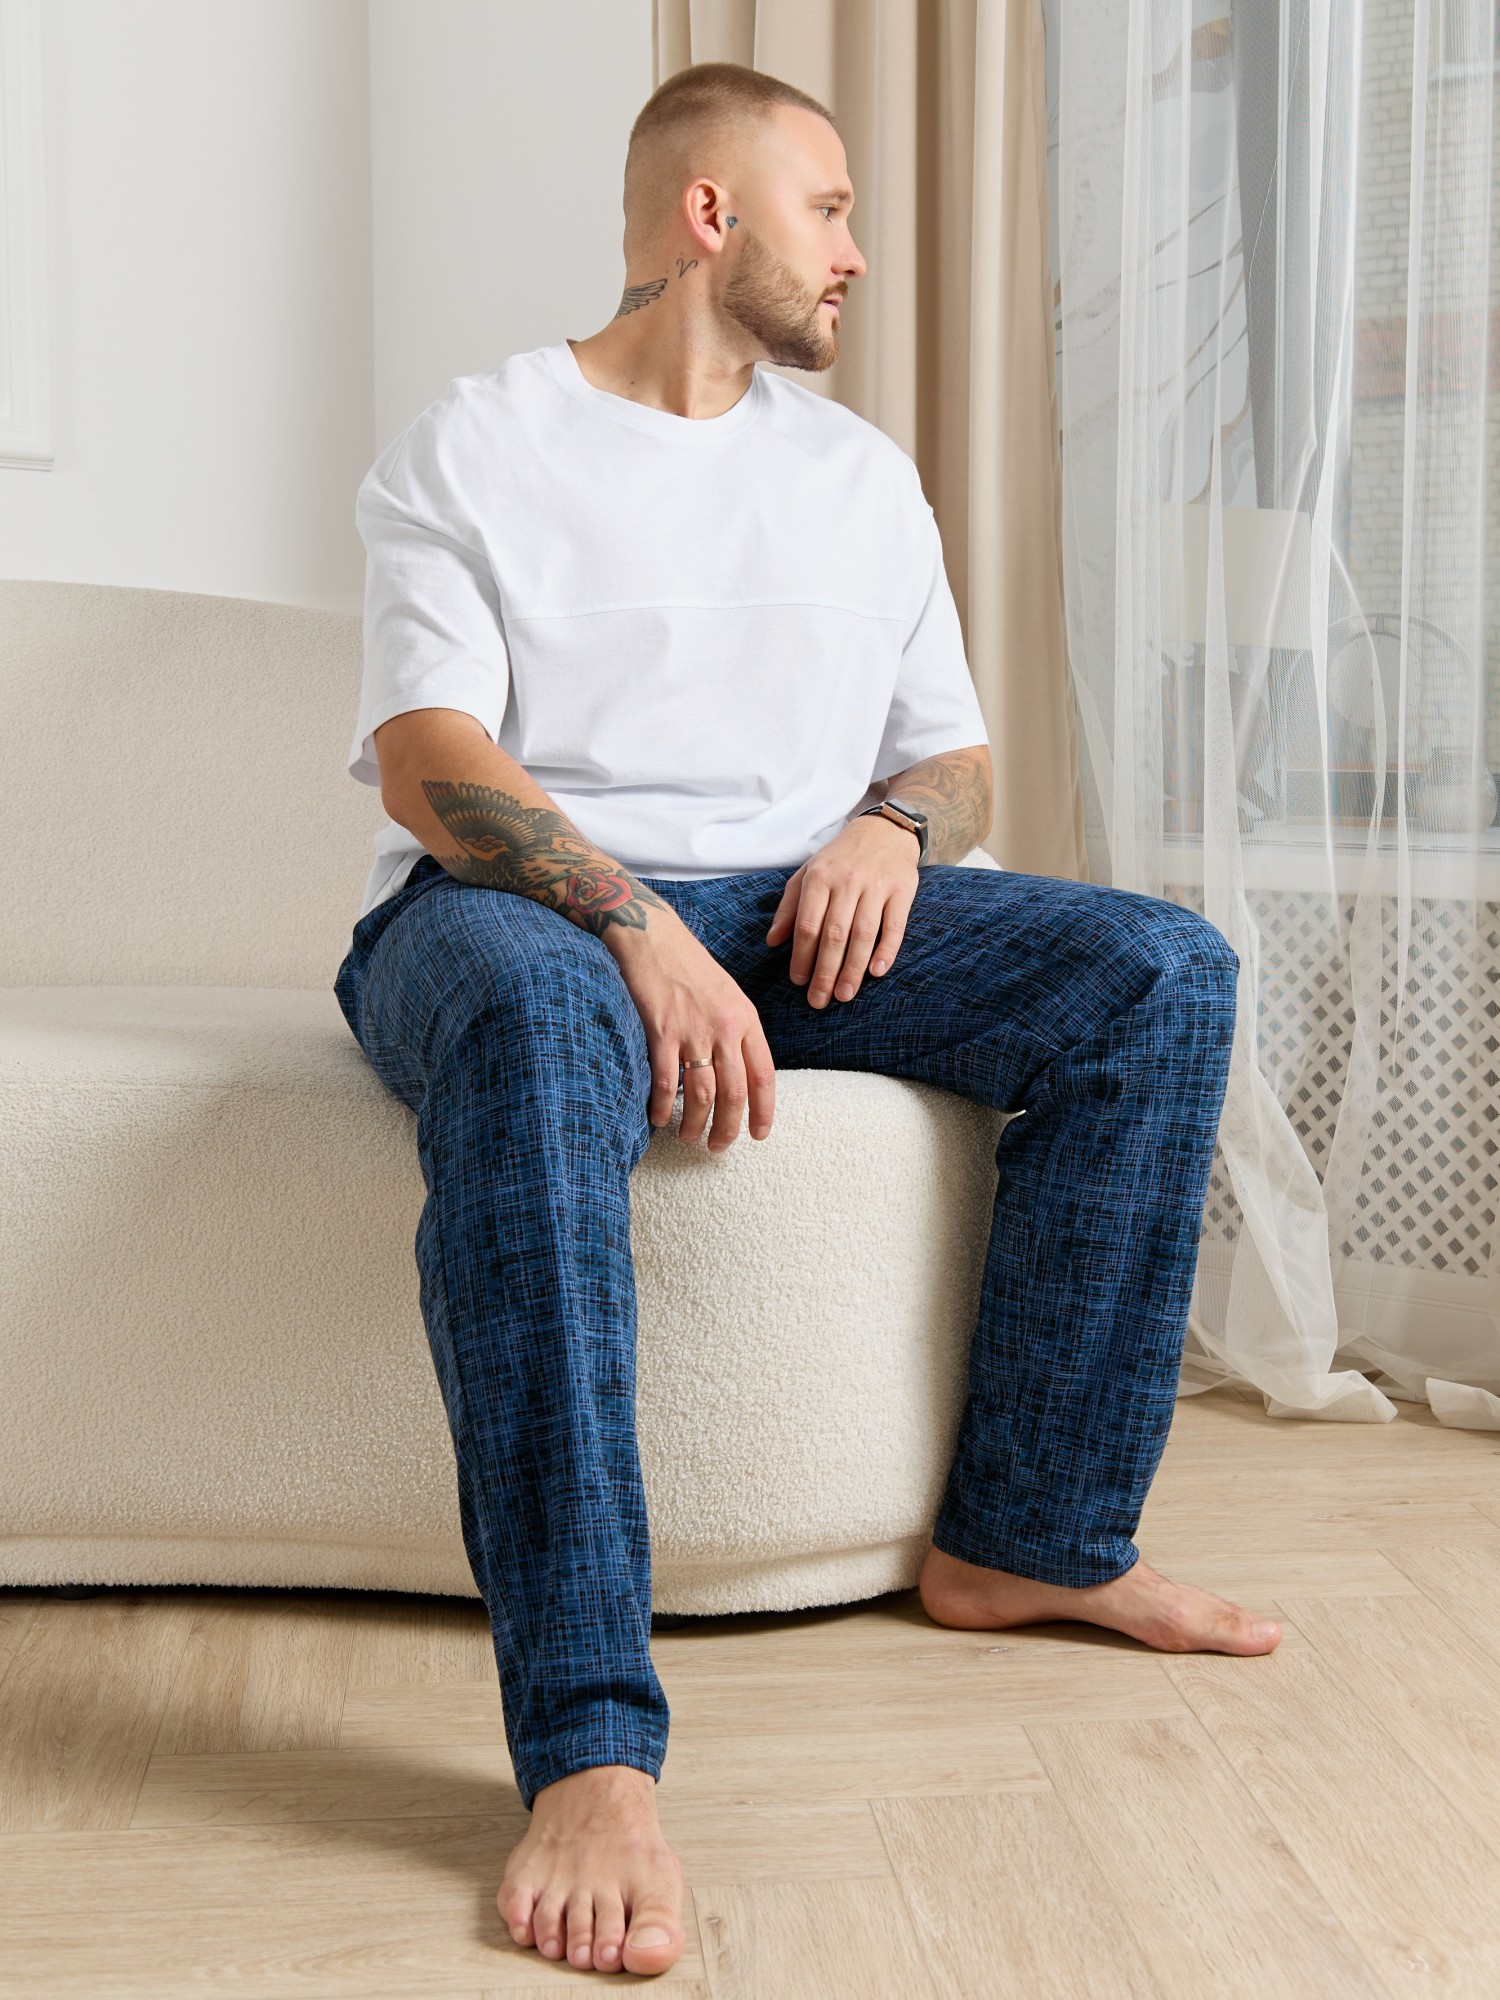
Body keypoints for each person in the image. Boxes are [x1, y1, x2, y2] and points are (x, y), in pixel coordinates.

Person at [333, 57, 1281, 1983]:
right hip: (509, 913)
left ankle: (1029, 1538)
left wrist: (893, 827)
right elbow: (430, 757)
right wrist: (630, 923)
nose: (855, 251)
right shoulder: (480, 442)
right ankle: (591, 1747)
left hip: (794, 914)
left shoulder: (856, 478)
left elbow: (957, 755)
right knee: (538, 1032)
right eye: (829, 209)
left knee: (1158, 974)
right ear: (711, 215)